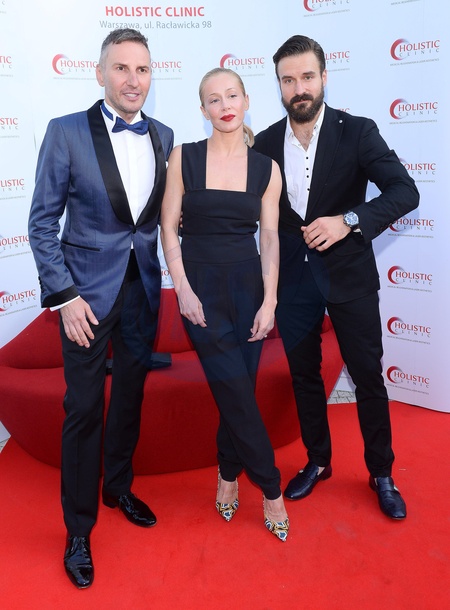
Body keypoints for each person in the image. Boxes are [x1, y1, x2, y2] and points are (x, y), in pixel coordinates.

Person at [28, 28, 174, 588]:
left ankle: (118, 488)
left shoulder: (163, 135)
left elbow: (158, 222)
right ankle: (78, 530)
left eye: (142, 69)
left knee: (130, 397)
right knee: (85, 409)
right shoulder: (65, 132)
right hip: (83, 299)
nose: (133, 80)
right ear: (100, 73)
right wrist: (64, 297)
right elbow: (42, 224)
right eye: (121, 68)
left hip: (142, 291)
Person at [253, 35, 419, 520]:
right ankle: (318, 461)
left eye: (307, 76)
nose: (298, 88)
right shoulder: (264, 143)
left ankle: (381, 472)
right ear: (279, 85)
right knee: (304, 377)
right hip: (294, 281)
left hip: (350, 276)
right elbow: (247, 205)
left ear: (324, 77)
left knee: (367, 376)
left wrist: (348, 220)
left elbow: (404, 191)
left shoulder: (358, 131)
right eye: (288, 80)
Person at [160, 67, 289, 541]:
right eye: (213, 99)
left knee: (238, 390)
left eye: (231, 95)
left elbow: (269, 237)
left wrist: (270, 300)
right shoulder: (184, 157)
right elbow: (167, 227)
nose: (224, 105)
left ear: (246, 100)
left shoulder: (267, 169)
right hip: (201, 293)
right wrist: (182, 289)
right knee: (234, 389)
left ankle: (228, 475)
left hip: (249, 290)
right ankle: (271, 489)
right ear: (203, 110)